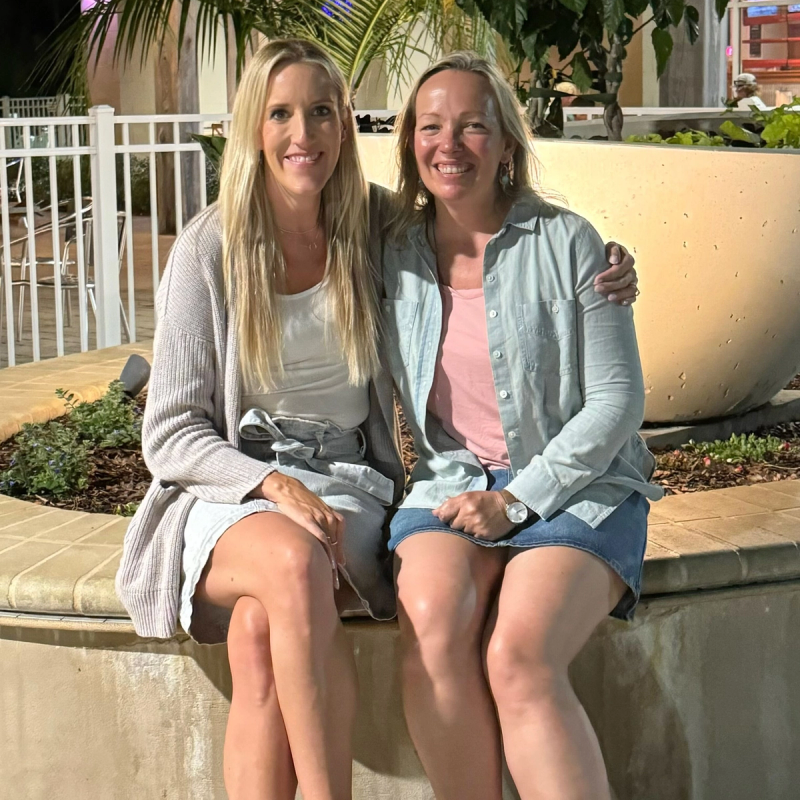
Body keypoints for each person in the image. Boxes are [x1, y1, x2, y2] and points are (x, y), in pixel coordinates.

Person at [116, 39, 639, 800]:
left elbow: (607, 386)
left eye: (322, 112)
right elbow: (169, 432)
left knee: (272, 635)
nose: (305, 135)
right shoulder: (221, 246)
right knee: (311, 578)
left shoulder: (380, 228)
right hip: (256, 486)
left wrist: (613, 271)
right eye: (282, 114)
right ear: (252, 129)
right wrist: (269, 485)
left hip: (381, 484)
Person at [381, 52, 663, 800]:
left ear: (507, 142)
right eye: (431, 127)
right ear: (409, 140)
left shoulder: (569, 242)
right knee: (432, 630)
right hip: (453, 484)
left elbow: (616, 402)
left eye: (473, 127)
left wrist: (518, 501)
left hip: (580, 488)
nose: (450, 145)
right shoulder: (392, 254)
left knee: (517, 656)